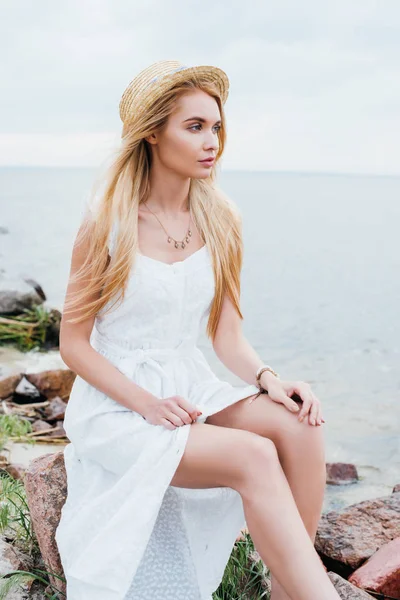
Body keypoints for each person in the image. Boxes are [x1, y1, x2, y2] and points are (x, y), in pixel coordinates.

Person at [55, 60, 341, 600]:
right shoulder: (106, 223)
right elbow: (72, 345)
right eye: (194, 127)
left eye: (215, 127)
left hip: (190, 383)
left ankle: (289, 591)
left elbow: (226, 335)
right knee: (253, 455)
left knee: (301, 425)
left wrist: (268, 378)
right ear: (152, 132)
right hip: (121, 405)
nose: (212, 141)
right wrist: (146, 403)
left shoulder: (221, 219)